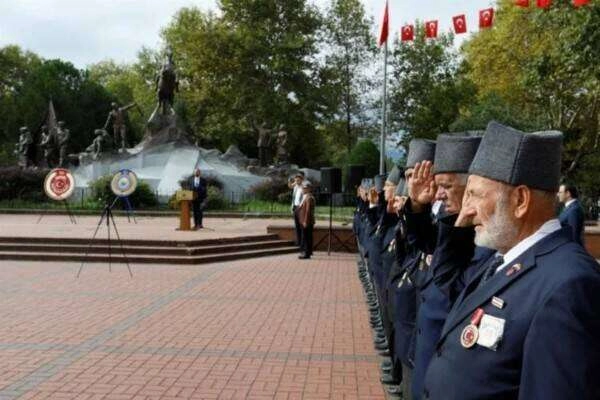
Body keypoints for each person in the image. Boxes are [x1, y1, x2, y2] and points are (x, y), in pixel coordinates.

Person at [423, 121, 600, 400]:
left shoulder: (570, 284)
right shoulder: (501, 261)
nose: (466, 211)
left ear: (520, 200)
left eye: (476, 195)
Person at [404, 134, 483, 400]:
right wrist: (417, 205)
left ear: (472, 187)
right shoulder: (452, 221)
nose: (439, 194)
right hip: (429, 349)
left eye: (447, 186)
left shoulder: (488, 237)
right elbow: (427, 245)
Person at [297, 180, 315, 259]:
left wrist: (305, 221)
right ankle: (308, 252)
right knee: (307, 236)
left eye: (305, 188)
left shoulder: (309, 198)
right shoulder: (305, 196)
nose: (303, 189)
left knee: (306, 237)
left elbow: (308, 211)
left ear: (308, 189)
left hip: (306, 221)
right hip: (304, 220)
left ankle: (306, 253)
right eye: (303, 188)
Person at [290, 172, 305, 246]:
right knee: (296, 225)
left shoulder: (303, 188)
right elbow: (290, 186)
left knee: (301, 225)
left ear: (302, 180)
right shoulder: (295, 187)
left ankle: (302, 242)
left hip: (300, 208)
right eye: (296, 180)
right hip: (295, 207)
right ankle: (298, 241)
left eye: (298, 180)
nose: (297, 181)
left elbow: (303, 199)